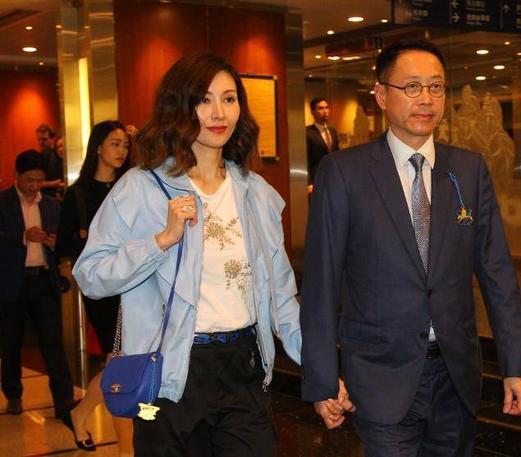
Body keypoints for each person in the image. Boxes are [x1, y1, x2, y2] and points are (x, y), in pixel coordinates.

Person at [300, 39, 521, 457]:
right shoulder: (345, 172)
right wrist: (322, 378)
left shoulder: (468, 170)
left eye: (436, 87)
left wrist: (516, 366)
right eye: (411, 86)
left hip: (455, 377)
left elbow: (497, 273)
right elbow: (321, 283)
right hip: (379, 375)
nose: (425, 98)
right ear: (381, 94)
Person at [73, 53, 301, 456]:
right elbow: (90, 275)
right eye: (203, 100)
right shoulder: (141, 188)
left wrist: (319, 369)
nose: (218, 113)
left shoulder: (256, 193)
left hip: (244, 366)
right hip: (170, 373)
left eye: (229, 99)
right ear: (179, 106)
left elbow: (282, 294)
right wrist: (160, 241)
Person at [56, 120, 132, 453]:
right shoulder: (79, 193)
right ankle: (126, 444)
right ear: (98, 148)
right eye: (115, 143)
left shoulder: (131, 186)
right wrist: (89, 241)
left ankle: (81, 413)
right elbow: (64, 245)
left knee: (123, 359)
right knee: (120, 359)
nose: (122, 150)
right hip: (103, 287)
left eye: (125, 144)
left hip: (134, 282)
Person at [0, 150, 75, 421]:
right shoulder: (3, 202)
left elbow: (64, 242)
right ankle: (13, 394)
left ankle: (64, 400)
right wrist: (23, 236)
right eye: (29, 180)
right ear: (17, 176)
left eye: (39, 181)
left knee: (52, 343)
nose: (34, 186)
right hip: (12, 283)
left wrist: (55, 244)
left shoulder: (52, 205)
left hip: (43, 280)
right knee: (11, 343)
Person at [306, 97, 339, 184]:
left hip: (333, 176)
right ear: (313, 112)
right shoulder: (308, 132)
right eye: (320, 108)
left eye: (327, 108)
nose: (325, 111)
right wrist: (309, 182)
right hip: (316, 177)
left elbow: (336, 154)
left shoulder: (333, 131)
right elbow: (306, 160)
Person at [35, 124, 65, 198]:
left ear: (52, 139)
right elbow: (35, 181)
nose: (41, 142)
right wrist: (52, 184)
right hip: (44, 196)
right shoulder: (38, 157)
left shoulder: (59, 154)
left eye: (44, 139)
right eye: (39, 139)